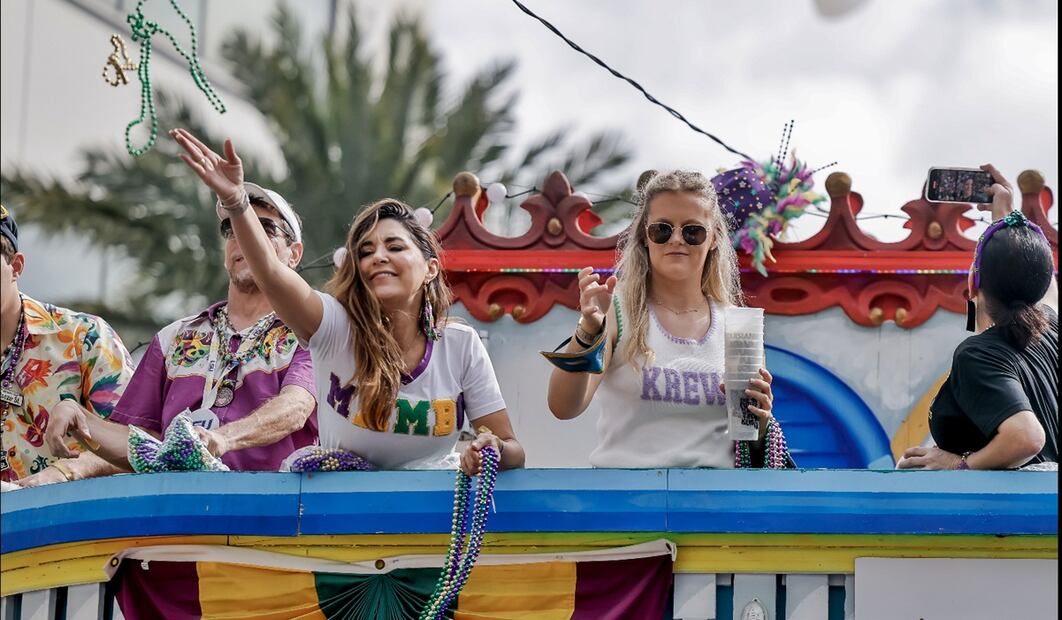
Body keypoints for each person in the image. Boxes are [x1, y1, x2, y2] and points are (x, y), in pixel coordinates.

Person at [169, 128, 524, 474]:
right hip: (338, 517)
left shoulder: (460, 345)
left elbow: (511, 448)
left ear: (431, 268)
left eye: (395, 247)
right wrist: (236, 203)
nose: (378, 257)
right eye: (366, 252)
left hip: (430, 519)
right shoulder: (336, 328)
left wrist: (490, 450)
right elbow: (273, 275)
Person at [20, 186, 318, 484]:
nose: (245, 237)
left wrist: (222, 439)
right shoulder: (173, 338)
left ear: (294, 254)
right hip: (176, 519)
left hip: (271, 518)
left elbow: (295, 408)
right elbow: (141, 444)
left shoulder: (310, 331)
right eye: (234, 227)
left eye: (264, 228)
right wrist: (80, 419)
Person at [545, 170, 784, 469]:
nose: (676, 240)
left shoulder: (737, 327)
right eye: (662, 229)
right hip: (627, 502)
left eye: (692, 231)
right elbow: (563, 406)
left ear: (714, 239)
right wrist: (589, 328)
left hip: (713, 504)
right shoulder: (619, 312)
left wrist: (761, 421)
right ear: (646, 236)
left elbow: (749, 441)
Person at [900, 164, 1058, 470]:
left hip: (1009, 516)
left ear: (973, 282)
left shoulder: (979, 354)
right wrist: (1008, 215)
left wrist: (960, 465)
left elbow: (1026, 437)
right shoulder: (1051, 328)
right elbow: (1043, 280)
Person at [0, 204, 134, 483]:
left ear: (16, 267)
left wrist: (62, 473)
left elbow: (136, 448)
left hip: (76, 521)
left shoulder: (83, 338)